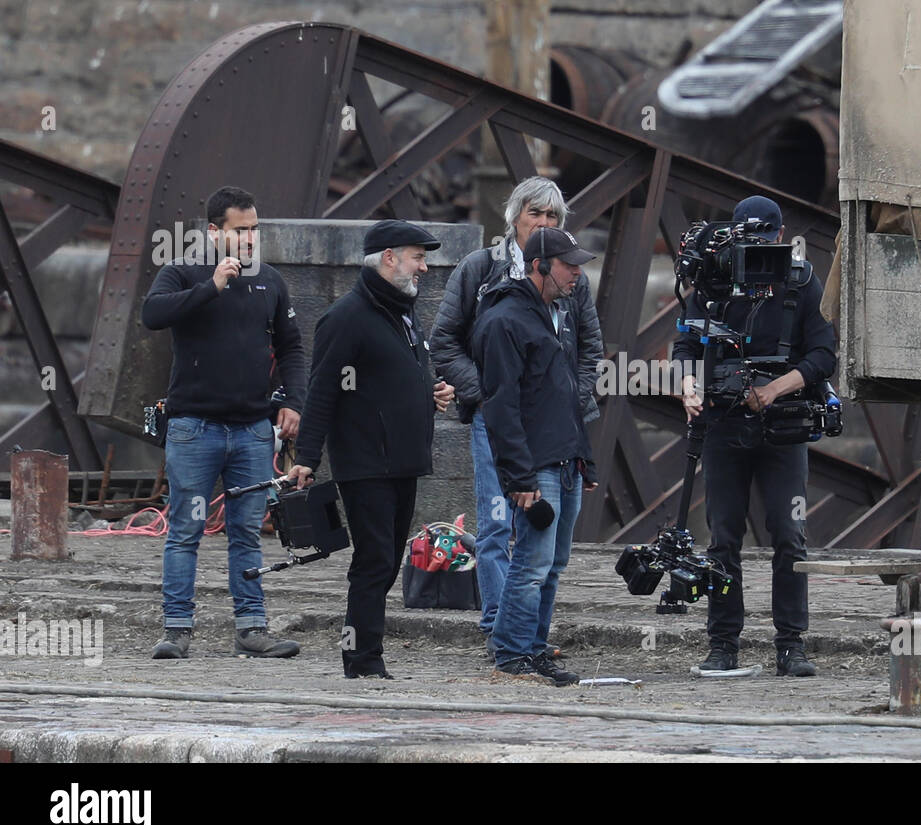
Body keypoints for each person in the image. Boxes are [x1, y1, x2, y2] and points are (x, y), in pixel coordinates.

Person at [430, 177, 603, 658]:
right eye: (536, 215)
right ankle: (500, 631)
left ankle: (526, 638)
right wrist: (486, 394)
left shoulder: (572, 279)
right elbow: (443, 341)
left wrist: (570, 397)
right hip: (499, 419)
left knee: (549, 547)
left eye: (552, 217)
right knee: (498, 524)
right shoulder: (481, 269)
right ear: (515, 218)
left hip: (557, 428)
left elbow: (591, 348)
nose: (543, 223)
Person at [672, 196, 838, 677]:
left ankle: (791, 644)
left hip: (782, 428)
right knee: (724, 538)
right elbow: (685, 343)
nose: (760, 252)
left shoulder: (802, 282)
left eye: (767, 241)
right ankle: (723, 642)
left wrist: (773, 391)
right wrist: (689, 386)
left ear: (781, 235)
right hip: (724, 426)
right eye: (751, 242)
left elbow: (824, 356)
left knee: (789, 536)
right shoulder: (715, 279)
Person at [141, 185, 306, 660]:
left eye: (255, 229)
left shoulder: (270, 281)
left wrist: (293, 401)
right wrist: (211, 287)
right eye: (240, 231)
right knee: (186, 531)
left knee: (246, 532)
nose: (250, 239)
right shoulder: (182, 271)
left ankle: (252, 629)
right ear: (214, 232)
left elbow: (292, 346)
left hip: (253, 430)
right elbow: (153, 315)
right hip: (194, 427)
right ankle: (176, 630)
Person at [286, 220, 455, 679]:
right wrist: (306, 458)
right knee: (373, 561)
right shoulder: (346, 316)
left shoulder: (402, 311)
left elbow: (394, 376)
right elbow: (322, 392)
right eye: (418, 256)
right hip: (365, 463)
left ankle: (365, 654)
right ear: (388, 257)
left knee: (385, 561)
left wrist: (431, 392)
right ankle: (360, 658)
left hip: (402, 460)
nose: (424, 266)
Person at [471, 226, 599, 685]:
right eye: (569, 265)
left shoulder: (551, 315)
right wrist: (520, 479)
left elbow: (563, 398)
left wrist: (584, 459)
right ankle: (512, 652)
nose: (577, 275)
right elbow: (501, 408)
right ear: (541, 265)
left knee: (551, 564)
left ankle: (532, 648)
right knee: (532, 563)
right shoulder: (505, 321)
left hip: (564, 462)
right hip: (538, 467)